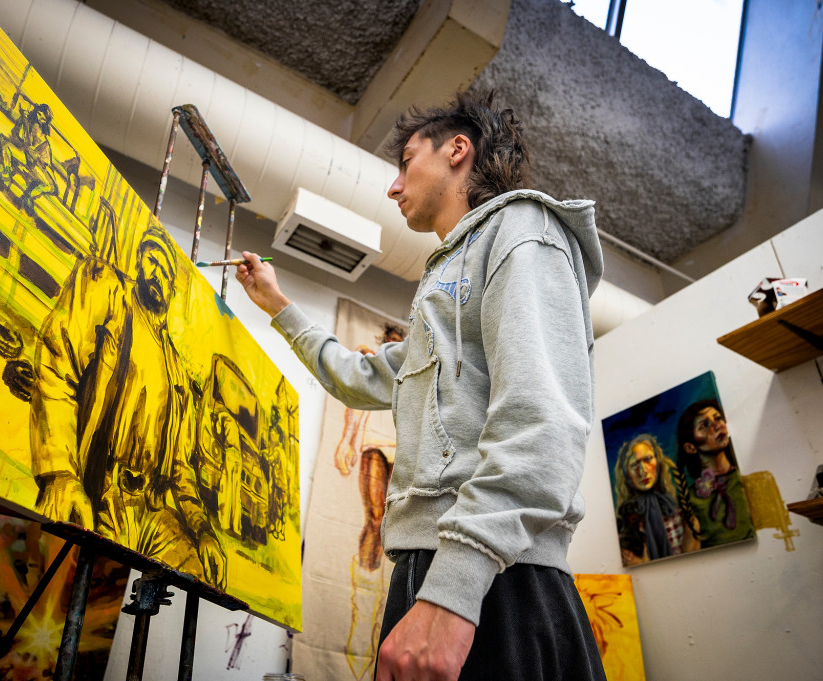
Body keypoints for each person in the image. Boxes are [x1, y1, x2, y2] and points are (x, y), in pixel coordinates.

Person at [236, 91, 605, 680]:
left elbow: (543, 426)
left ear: (459, 150)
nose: (392, 185)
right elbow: (358, 376)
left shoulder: (523, 229)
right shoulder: (446, 282)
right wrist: (280, 307)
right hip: (434, 567)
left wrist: (454, 594)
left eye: (406, 161)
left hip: (495, 580)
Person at [30, 224, 226, 587]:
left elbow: (181, 466)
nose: (158, 274)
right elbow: (58, 364)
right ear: (138, 261)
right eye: (153, 261)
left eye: (167, 272)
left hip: (152, 509)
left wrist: (203, 531)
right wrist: (59, 471)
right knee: (76, 588)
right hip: (103, 491)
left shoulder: (175, 367)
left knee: (195, 575)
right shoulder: (108, 290)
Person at [676, 400, 755, 548]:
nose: (716, 425)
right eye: (704, 425)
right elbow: (692, 550)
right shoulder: (691, 498)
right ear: (690, 447)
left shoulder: (748, 478)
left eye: (718, 418)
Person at [613, 433, 700, 565]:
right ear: (626, 474)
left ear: (658, 463)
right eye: (634, 464)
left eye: (648, 459)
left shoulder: (680, 514)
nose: (643, 471)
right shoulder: (625, 526)